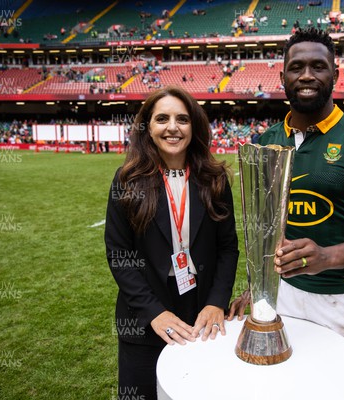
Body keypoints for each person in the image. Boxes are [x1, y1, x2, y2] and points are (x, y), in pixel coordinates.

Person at [227, 28, 344, 400]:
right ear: (283, 78)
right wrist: (257, 288)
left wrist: (327, 257)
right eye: (296, 67)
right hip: (281, 298)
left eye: (318, 66)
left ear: (335, 74)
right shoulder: (265, 142)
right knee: (283, 390)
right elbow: (264, 227)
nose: (307, 75)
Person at [105, 86, 239, 400]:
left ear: (194, 126)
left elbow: (227, 247)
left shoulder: (214, 179)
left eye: (182, 119)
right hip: (142, 314)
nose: (173, 127)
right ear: (147, 128)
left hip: (201, 310)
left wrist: (216, 302)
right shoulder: (126, 180)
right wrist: (154, 312)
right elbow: (118, 253)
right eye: (162, 119)